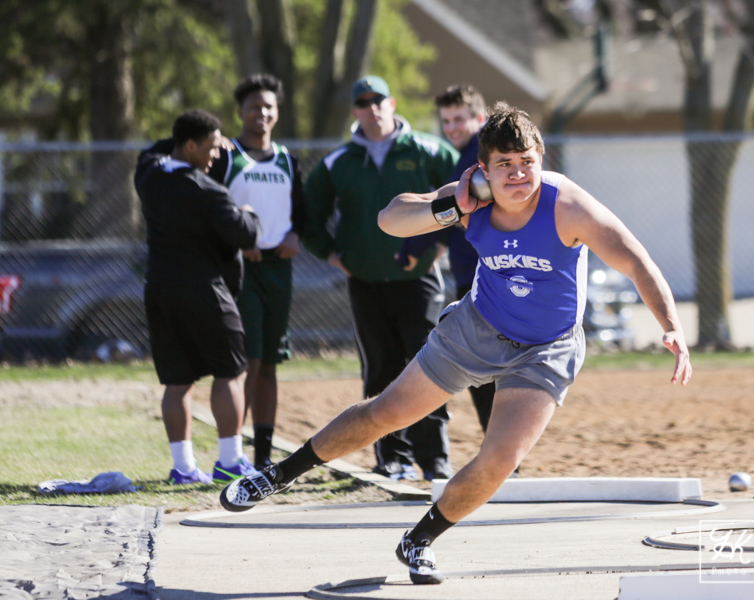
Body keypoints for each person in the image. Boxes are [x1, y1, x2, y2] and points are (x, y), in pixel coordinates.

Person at [219, 102, 692, 585]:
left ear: (541, 160)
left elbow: (637, 261)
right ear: (483, 168)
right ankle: (278, 474)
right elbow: (390, 220)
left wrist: (670, 324)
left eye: (526, 162)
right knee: (386, 413)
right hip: (477, 325)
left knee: (501, 458)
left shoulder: (568, 207)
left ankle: (419, 540)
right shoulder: (471, 198)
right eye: (504, 165)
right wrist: (451, 208)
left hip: (546, 348)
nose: (517, 175)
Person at [300, 75, 459, 481]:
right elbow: (307, 214)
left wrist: (437, 246)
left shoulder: (426, 149)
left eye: (379, 100)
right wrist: (335, 256)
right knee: (380, 370)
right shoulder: (339, 161)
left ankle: (435, 460)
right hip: (366, 281)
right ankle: (393, 458)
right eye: (363, 102)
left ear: (392, 103)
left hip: (418, 281)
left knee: (430, 366)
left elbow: (463, 197)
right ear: (355, 110)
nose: (373, 108)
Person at [134, 109, 261, 485]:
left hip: (160, 290)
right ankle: (230, 461)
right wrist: (249, 213)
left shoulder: (149, 174)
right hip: (205, 289)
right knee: (231, 373)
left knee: (177, 381)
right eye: (210, 146)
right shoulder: (207, 191)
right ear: (189, 145)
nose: (216, 154)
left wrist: (192, 136)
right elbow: (246, 235)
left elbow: (153, 149)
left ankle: (184, 468)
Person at [205, 74, 306, 470]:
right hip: (241, 268)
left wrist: (296, 234)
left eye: (268, 107)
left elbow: (302, 213)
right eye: (253, 107)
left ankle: (264, 456)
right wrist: (237, 240)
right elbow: (211, 210)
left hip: (279, 269)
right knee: (244, 362)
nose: (261, 113)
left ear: (276, 112)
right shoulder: (226, 158)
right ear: (240, 112)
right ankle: (235, 453)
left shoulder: (287, 160)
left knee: (268, 363)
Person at [398, 84, 496, 433]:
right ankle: (503, 455)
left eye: (459, 119)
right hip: (481, 273)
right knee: (487, 367)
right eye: (446, 121)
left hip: (483, 276)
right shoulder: (472, 154)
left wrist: (410, 248)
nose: (451, 127)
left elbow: (450, 209)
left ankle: (502, 457)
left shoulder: (476, 157)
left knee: (482, 368)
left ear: (479, 118)